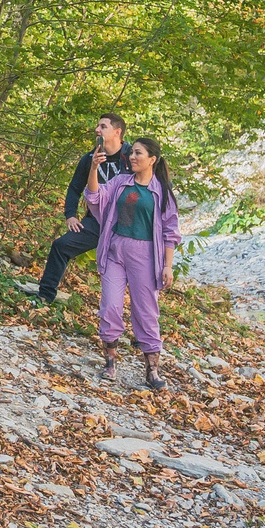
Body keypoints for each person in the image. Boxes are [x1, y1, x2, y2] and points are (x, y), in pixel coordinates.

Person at [84, 137, 179, 390]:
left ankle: (152, 371)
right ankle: (110, 363)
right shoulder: (119, 183)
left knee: (146, 312)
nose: (132, 156)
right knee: (111, 306)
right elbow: (95, 197)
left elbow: (170, 231)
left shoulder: (162, 191)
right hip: (115, 250)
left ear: (152, 159)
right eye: (132, 153)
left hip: (146, 255)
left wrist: (167, 266)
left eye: (138, 153)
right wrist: (93, 168)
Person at [22, 116, 133, 303]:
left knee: (131, 271)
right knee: (61, 246)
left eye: (103, 127)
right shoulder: (90, 158)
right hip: (97, 221)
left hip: (126, 224)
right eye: (97, 125)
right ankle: (45, 296)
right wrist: (70, 215)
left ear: (117, 132)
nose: (97, 130)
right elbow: (75, 188)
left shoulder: (132, 156)